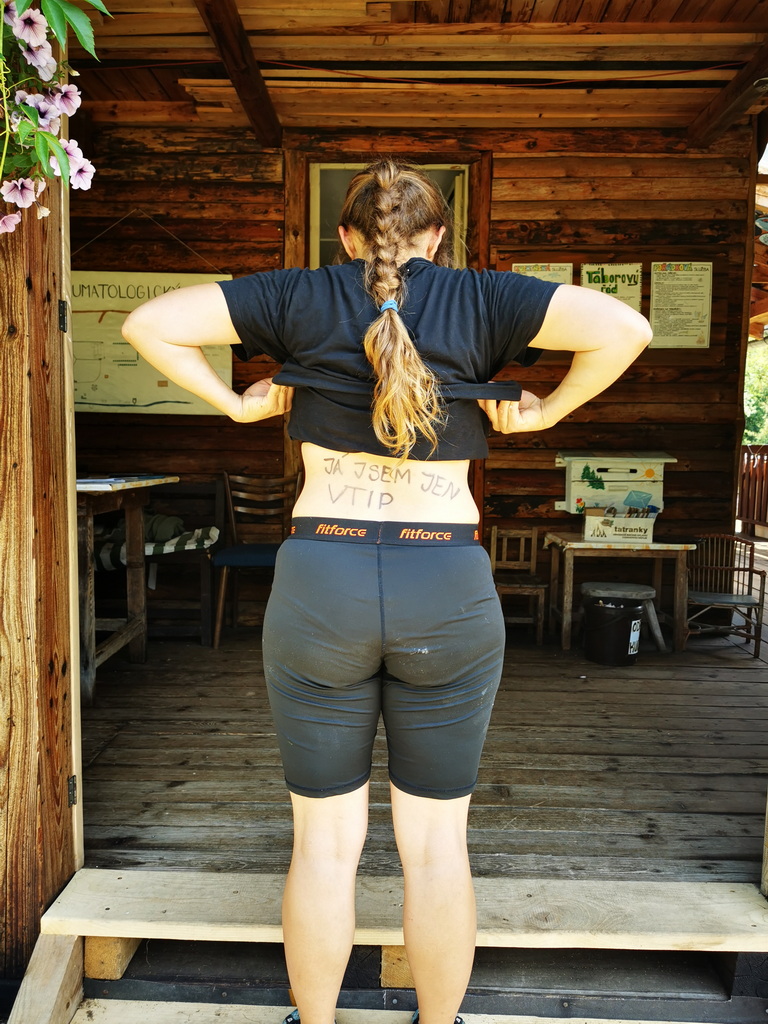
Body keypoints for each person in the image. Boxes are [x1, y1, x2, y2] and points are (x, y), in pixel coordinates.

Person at [122, 158, 652, 1024]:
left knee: (323, 846)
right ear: (438, 238)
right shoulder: (484, 298)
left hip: (321, 578)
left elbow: (150, 323)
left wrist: (232, 403)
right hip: (445, 579)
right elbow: (625, 328)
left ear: (345, 238)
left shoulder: (297, 293)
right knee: (437, 846)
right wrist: (548, 411)